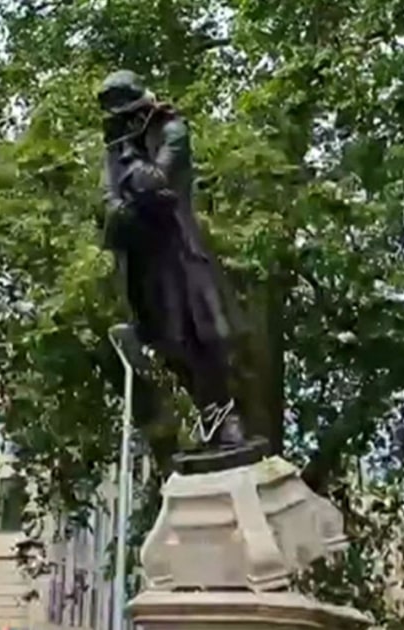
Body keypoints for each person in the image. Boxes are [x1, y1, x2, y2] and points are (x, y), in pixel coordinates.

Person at [97, 69, 251, 454]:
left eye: (126, 117)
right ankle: (211, 418)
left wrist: (132, 161)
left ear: (141, 112)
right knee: (169, 344)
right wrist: (128, 205)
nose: (120, 126)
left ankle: (225, 419)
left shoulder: (173, 132)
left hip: (179, 254)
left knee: (204, 338)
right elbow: (109, 206)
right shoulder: (115, 151)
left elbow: (156, 181)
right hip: (145, 263)